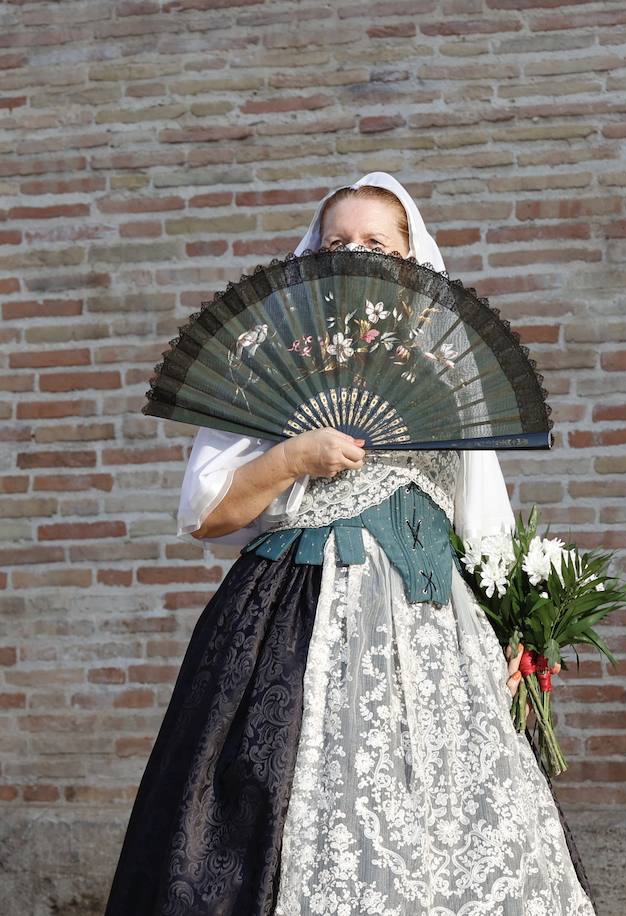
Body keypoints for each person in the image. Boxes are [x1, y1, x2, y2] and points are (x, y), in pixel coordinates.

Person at [103, 172, 597, 915]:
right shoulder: (268, 358)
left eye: (377, 241)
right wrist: (292, 458)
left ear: (409, 258)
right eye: (341, 240)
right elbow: (205, 512)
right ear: (314, 256)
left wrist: (521, 635)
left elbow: (484, 522)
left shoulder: (448, 370)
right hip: (295, 612)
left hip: (438, 628)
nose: (358, 253)